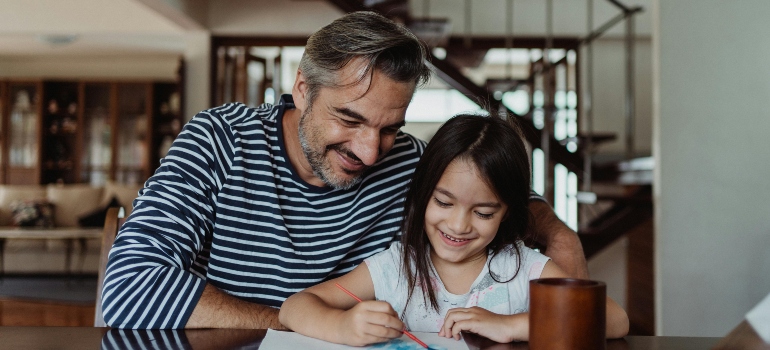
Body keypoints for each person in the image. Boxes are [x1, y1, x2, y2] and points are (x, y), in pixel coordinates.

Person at [100, 11, 587, 329]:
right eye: (349, 119)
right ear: (303, 89)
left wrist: (557, 233)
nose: (371, 152)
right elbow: (128, 287)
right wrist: (304, 327)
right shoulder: (219, 140)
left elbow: (489, 194)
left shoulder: (409, 161)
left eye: (390, 128)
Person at [279, 115, 629, 345]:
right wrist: (343, 326)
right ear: (421, 195)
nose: (459, 225)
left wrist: (512, 325)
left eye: (484, 212)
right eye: (444, 203)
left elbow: (615, 320)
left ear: (507, 213)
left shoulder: (523, 268)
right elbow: (294, 306)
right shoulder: (395, 266)